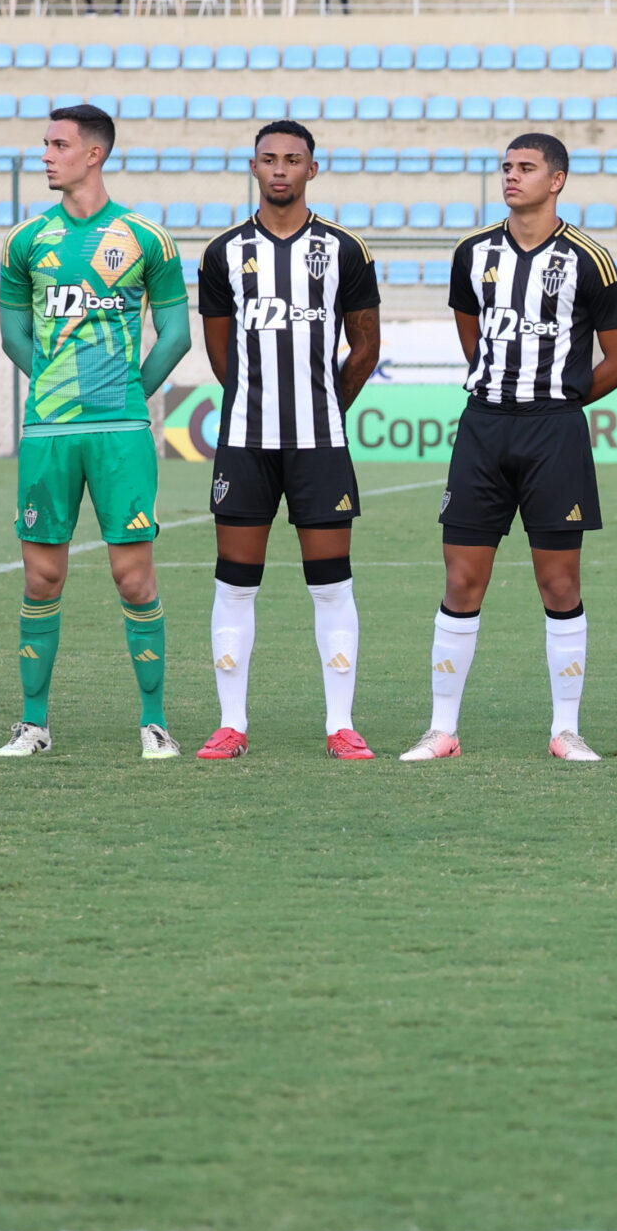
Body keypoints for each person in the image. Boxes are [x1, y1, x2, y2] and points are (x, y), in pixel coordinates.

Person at [411, 132, 617, 763]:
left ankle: (566, 730)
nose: (512, 177)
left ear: (556, 179)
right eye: (507, 167)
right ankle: (442, 729)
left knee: (559, 582)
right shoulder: (473, 253)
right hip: (483, 427)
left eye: (526, 168)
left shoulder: (590, 259)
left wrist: (559, 400)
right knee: (461, 577)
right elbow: (472, 337)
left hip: (554, 433)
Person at [0, 106, 191, 759]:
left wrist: (131, 386)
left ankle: (155, 722)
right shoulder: (26, 241)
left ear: (94, 154)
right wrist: (55, 382)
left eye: (58, 145)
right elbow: (13, 333)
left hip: (122, 430)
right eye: (45, 144)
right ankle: (32, 724)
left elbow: (178, 334)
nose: (45, 155)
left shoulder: (146, 239)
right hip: (49, 429)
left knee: (134, 578)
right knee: (40, 577)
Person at [195, 121, 382, 763]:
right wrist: (259, 400)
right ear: (253, 167)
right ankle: (231, 724)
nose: (280, 169)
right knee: (235, 584)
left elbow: (366, 346)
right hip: (245, 441)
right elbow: (221, 355)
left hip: (319, 443)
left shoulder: (345, 250)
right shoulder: (222, 252)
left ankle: (340, 725)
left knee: (331, 585)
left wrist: (323, 406)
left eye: (293, 160)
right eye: (269, 159)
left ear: (312, 169)